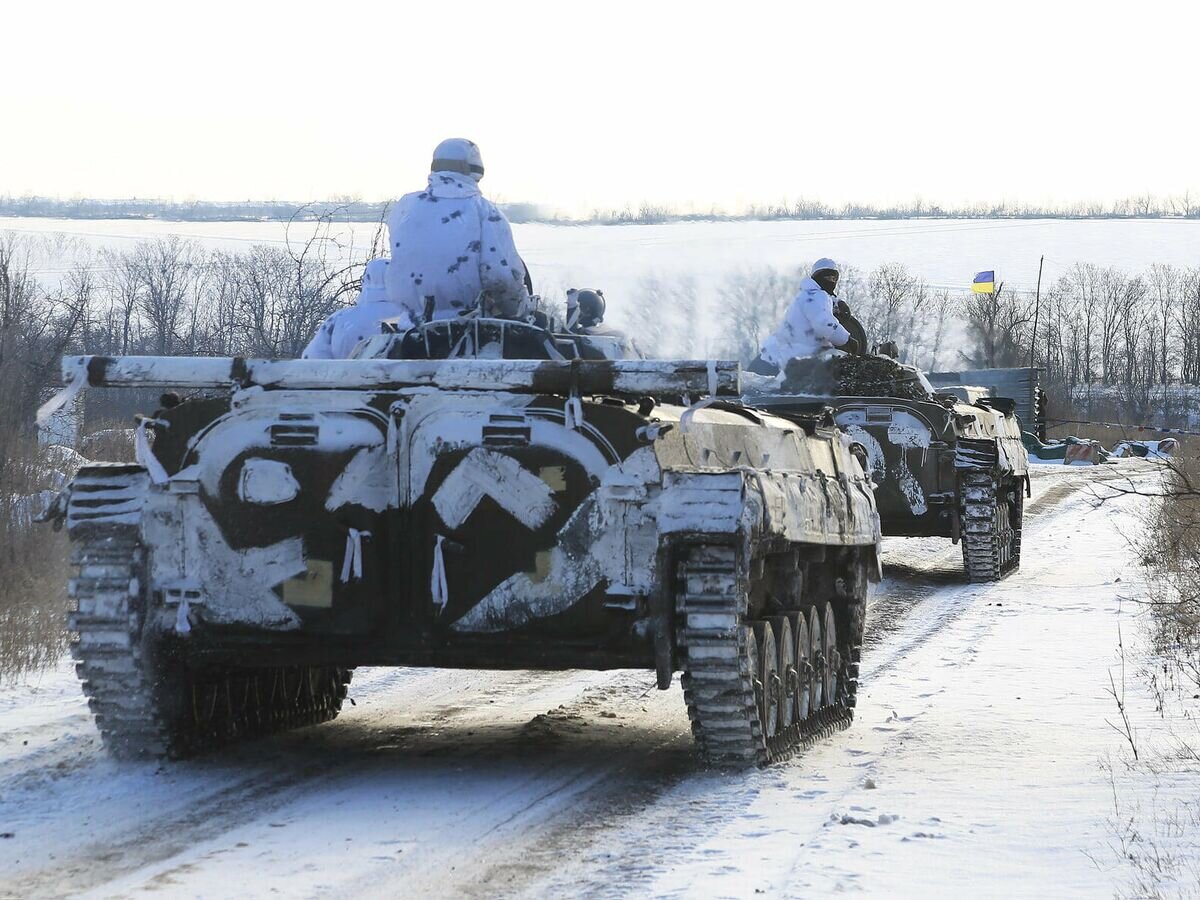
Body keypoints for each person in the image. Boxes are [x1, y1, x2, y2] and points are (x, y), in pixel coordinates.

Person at [385, 138, 530, 323]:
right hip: (466, 328)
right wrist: (519, 309)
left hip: (407, 324)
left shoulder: (406, 206)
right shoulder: (485, 212)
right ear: (476, 169)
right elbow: (500, 279)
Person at [749, 258, 858, 376]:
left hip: (773, 357)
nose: (831, 281)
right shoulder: (817, 296)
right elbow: (824, 324)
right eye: (827, 278)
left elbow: (818, 308)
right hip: (778, 363)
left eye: (834, 279)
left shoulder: (806, 294)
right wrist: (847, 339)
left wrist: (836, 302)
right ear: (818, 278)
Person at [302, 258, 412, 359]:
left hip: (346, 379)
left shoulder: (339, 319)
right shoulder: (410, 319)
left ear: (366, 279)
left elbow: (313, 359)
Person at [566, 288, 643, 358]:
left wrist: (572, 307)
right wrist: (572, 307)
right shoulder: (586, 333)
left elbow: (570, 334)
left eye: (581, 309)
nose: (580, 313)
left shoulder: (609, 333)